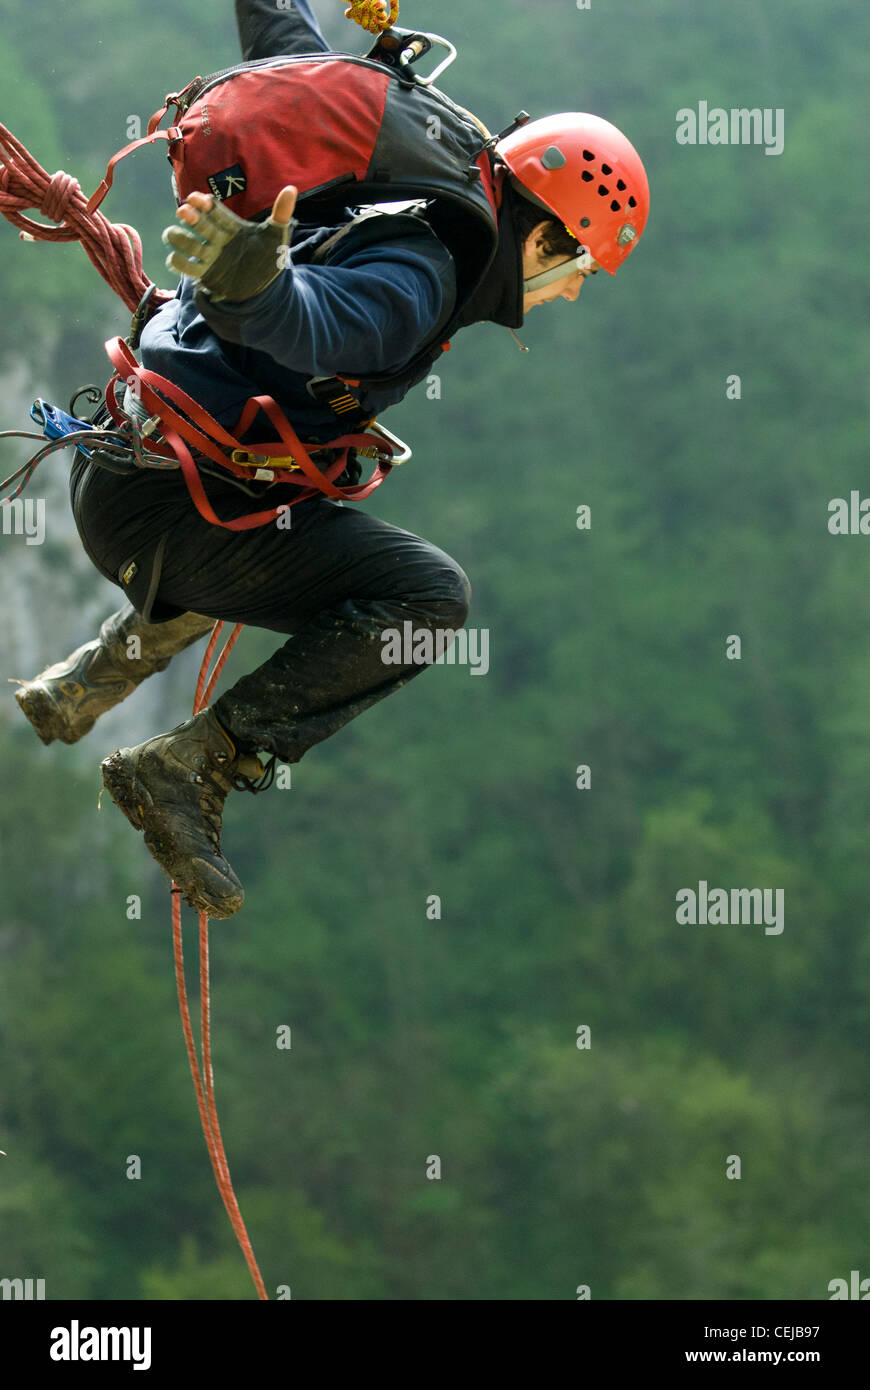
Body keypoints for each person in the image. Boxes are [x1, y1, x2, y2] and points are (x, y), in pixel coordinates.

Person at [14, 0, 649, 919]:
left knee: (312, 522)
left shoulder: (411, 179)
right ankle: (188, 767)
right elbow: (324, 323)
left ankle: (92, 680)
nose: (573, 292)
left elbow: (287, 60)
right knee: (426, 598)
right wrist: (256, 287)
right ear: (545, 236)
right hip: (167, 511)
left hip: (137, 463)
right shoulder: (427, 278)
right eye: (581, 266)